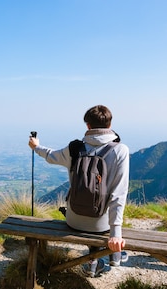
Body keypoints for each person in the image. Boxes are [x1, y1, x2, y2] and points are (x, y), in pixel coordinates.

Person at [28, 105, 130, 277]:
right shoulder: (121, 150)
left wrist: (36, 147)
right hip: (101, 225)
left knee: (86, 211)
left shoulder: (74, 148)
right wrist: (115, 235)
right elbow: (118, 194)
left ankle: (93, 262)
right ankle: (110, 255)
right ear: (110, 125)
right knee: (103, 217)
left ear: (88, 126)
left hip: (73, 219)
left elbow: (51, 156)